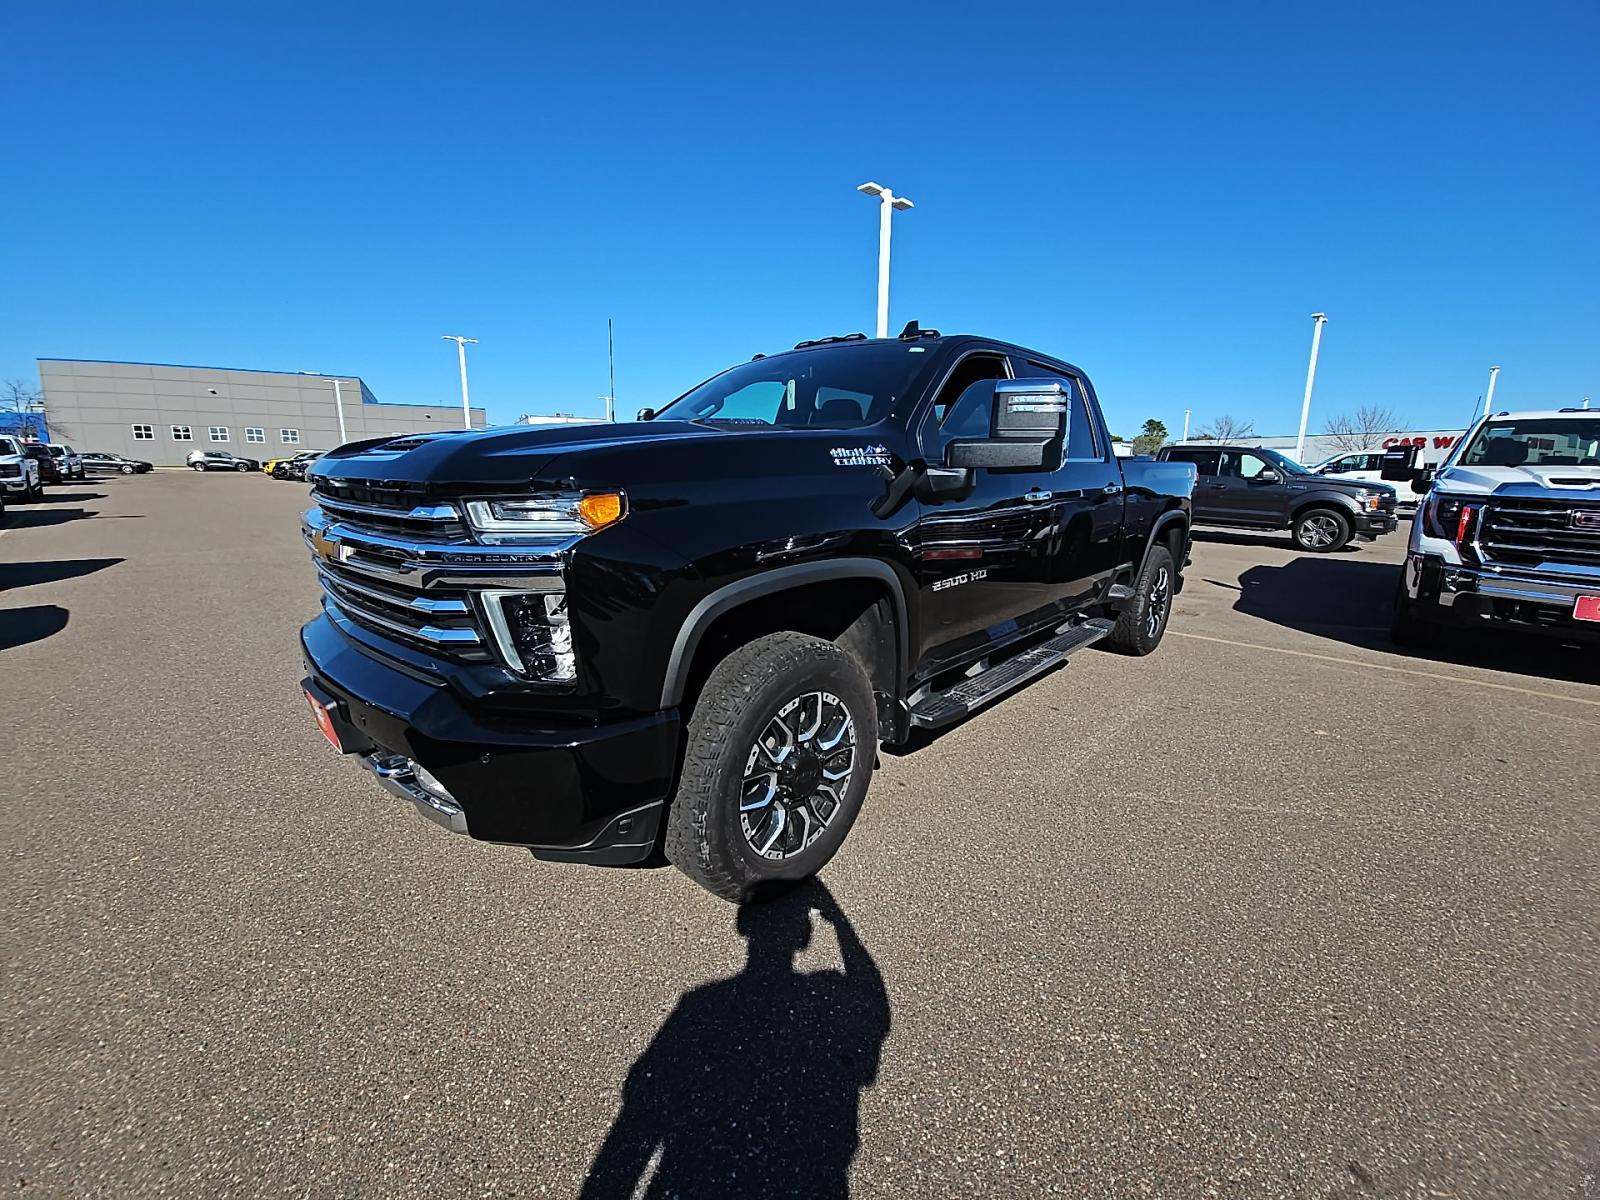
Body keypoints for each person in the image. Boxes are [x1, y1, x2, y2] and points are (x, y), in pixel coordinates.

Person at [582, 881, 890, 1199]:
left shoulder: (700, 1004)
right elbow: (870, 1007)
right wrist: (840, 924)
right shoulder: (824, 996)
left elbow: (638, 1114)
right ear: (804, 938)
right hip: (815, 1177)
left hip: (689, 1177)